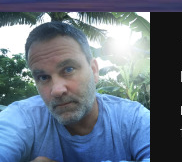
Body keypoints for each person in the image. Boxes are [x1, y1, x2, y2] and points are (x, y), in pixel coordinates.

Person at [0, 22, 150, 162]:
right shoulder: (23, 117)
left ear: (94, 70)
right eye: (43, 77)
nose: (57, 90)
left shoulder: (133, 118)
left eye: (68, 69)